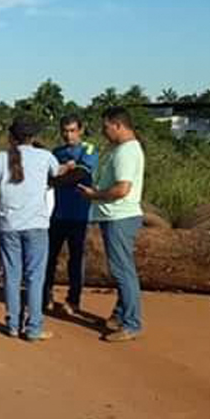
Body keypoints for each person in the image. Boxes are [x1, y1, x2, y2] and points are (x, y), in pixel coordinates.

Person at [0, 117, 61, 342]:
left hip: (9, 225)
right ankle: (34, 328)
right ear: (33, 137)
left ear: (11, 137)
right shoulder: (45, 157)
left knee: (12, 276)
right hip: (36, 225)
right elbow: (58, 174)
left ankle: (13, 325)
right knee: (35, 277)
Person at [78, 107, 146, 342]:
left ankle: (131, 323)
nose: (104, 132)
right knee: (122, 269)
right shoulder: (123, 149)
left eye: (106, 127)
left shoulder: (126, 151)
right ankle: (120, 315)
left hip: (120, 216)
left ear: (117, 125)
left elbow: (122, 189)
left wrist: (94, 195)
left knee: (122, 271)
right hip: (116, 216)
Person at [44, 114, 99, 315]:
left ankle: (73, 300)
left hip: (79, 214)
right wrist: (57, 176)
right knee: (49, 257)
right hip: (56, 214)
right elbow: (48, 174)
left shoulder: (89, 149)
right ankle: (45, 295)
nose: (69, 135)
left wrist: (56, 179)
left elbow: (81, 174)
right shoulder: (56, 152)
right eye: (65, 131)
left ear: (81, 130)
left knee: (76, 259)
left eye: (73, 130)